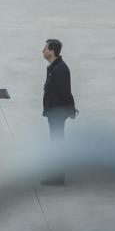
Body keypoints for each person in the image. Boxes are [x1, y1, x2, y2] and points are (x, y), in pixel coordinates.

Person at [41, 38, 77, 184]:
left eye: (45, 49)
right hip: (53, 111)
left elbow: (65, 92)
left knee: (56, 141)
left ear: (52, 51)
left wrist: (71, 109)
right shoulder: (54, 67)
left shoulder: (59, 70)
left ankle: (57, 177)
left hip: (57, 112)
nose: (43, 51)